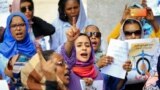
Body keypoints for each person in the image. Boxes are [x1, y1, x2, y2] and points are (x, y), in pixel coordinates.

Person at [84, 25, 132, 90]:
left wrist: (123, 72)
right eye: (89, 34)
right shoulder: (78, 59)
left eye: (97, 35)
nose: (93, 37)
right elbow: (80, 83)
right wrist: (97, 66)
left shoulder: (106, 59)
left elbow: (115, 88)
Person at [0, 12, 36, 89]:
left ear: (26, 26)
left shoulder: (34, 48)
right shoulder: (1, 50)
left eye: (22, 25)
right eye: (14, 26)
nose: (18, 29)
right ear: (8, 29)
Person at [118, 18, 152, 90]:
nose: (133, 36)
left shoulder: (151, 50)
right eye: (128, 33)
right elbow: (113, 87)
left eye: (137, 32)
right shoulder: (116, 54)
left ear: (141, 33)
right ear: (123, 34)